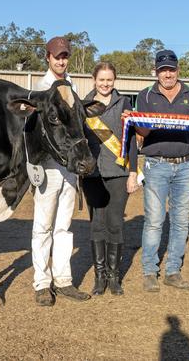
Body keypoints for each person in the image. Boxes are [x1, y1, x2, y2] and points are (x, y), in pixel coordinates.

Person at [134, 49, 189, 292]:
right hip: (156, 164)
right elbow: (141, 133)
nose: (167, 74)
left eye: (171, 69)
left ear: (178, 70)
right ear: (156, 72)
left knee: (181, 222)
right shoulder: (145, 95)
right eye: (163, 70)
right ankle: (150, 271)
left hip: (185, 166)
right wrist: (142, 123)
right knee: (154, 221)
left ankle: (173, 271)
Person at [32, 36, 91, 306]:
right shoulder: (40, 89)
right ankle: (42, 283)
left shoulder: (72, 87)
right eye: (57, 56)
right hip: (48, 167)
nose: (61, 60)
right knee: (43, 226)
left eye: (65, 56)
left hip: (70, 167)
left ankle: (64, 280)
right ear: (48, 57)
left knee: (64, 227)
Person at [82, 62, 140, 296]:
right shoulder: (84, 105)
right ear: (94, 80)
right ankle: (99, 276)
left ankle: (114, 277)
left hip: (119, 172)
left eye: (109, 80)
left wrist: (133, 172)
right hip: (92, 173)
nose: (105, 84)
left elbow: (132, 140)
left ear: (114, 80)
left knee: (115, 224)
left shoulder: (125, 103)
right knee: (97, 224)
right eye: (101, 80)